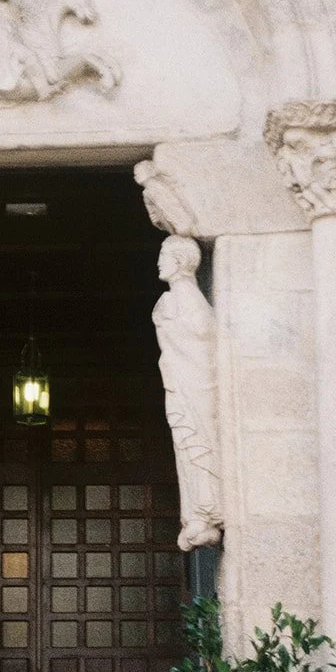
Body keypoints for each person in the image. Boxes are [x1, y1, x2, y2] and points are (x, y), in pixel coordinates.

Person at [152, 236, 224, 552]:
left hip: (197, 386)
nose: (159, 261)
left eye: (164, 255)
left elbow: (204, 343)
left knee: (199, 443)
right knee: (187, 445)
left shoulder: (190, 303)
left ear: (181, 261)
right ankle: (195, 512)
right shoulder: (169, 304)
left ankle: (207, 511)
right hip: (181, 384)